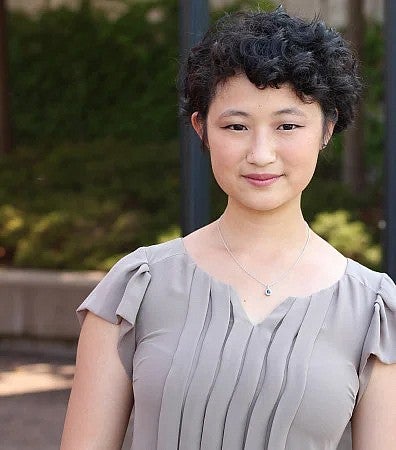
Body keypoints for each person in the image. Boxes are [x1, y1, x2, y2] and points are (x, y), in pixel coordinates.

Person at [61, 7, 396, 450]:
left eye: (288, 126)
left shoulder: (373, 309)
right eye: (236, 126)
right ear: (202, 129)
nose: (261, 153)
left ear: (326, 129)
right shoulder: (136, 286)